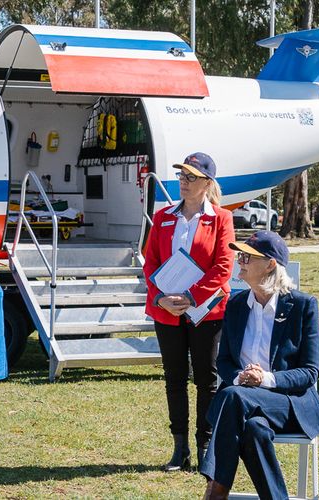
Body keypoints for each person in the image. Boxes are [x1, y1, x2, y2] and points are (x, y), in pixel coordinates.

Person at [199, 230, 319, 500]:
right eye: (240, 255)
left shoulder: (303, 306)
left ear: (270, 264)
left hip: (288, 403)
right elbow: (224, 361)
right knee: (254, 428)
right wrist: (240, 377)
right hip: (243, 402)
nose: (240, 261)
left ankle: (216, 490)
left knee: (231, 397)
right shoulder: (235, 304)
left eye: (247, 256)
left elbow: (310, 372)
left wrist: (265, 379)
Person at [141, 152, 234, 471]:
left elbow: (224, 266)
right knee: (174, 378)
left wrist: (191, 296)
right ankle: (180, 448)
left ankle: (205, 445)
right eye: (181, 175)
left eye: (191, 177)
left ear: (207, 183)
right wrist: (160, 299)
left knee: (206, 380)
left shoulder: (222, 218)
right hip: (167, 311)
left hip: (205, 311)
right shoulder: (164, 216)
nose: (183, 181)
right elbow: (150, 262)